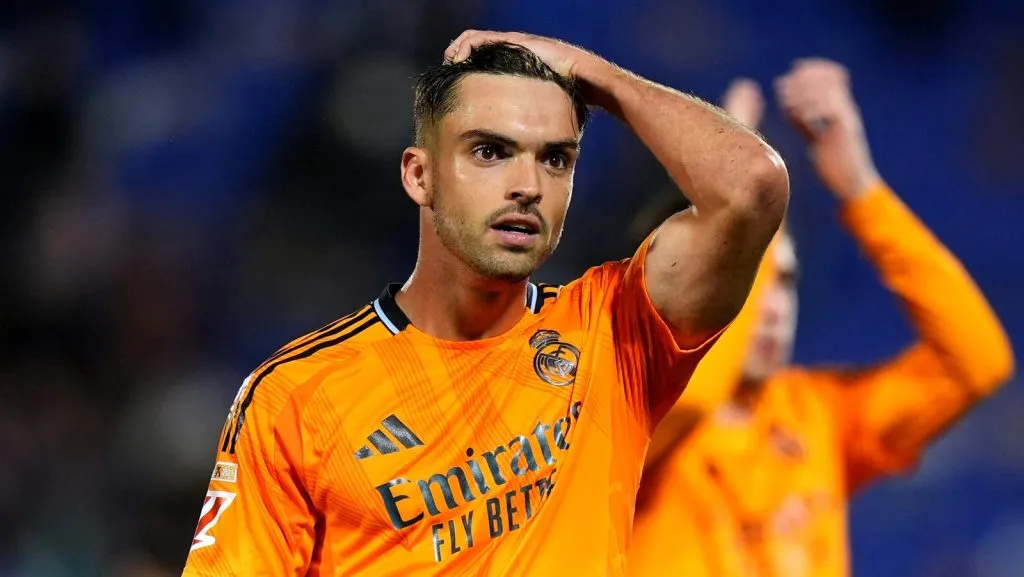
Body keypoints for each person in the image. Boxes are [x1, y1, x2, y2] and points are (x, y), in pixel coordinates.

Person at [180, 30, 789, 576]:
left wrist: (591, 73)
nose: (527, 186)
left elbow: (753, 188)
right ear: (420, 175)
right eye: (490, 152)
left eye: (555, 158)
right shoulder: (297, 397)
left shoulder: (615, 331)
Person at [627, 58, 1015, 577]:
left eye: (783, 282)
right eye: (747, 277)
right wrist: (741, 205)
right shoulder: (628, 418)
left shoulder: (816, 417)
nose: (771, 306)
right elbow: (697, 396)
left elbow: (976, 363)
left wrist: (860, 188)